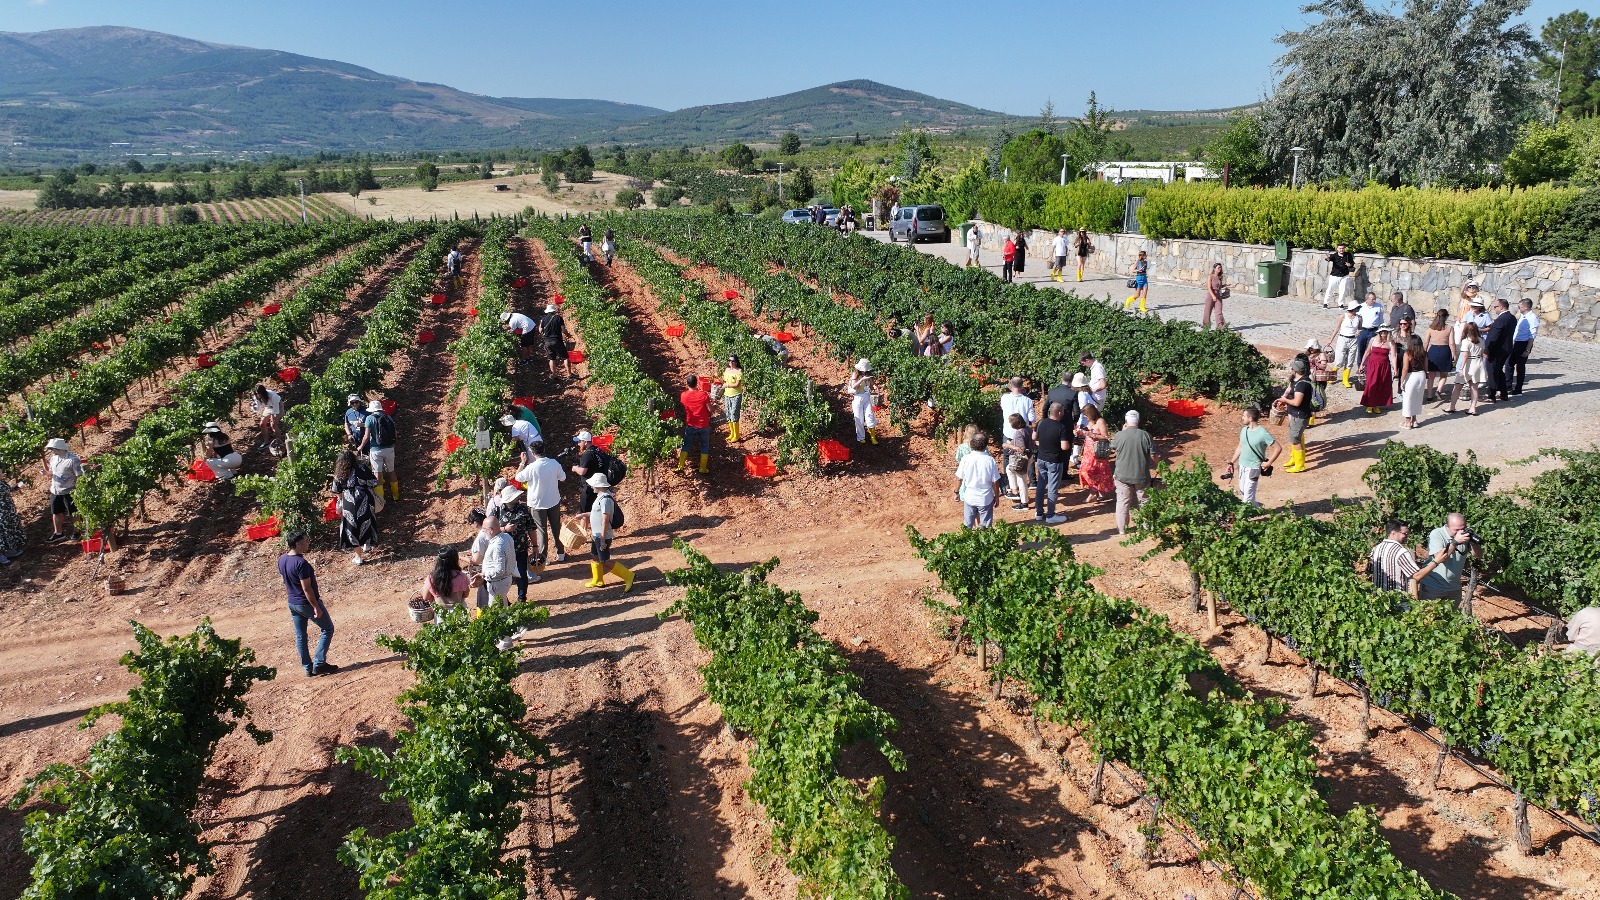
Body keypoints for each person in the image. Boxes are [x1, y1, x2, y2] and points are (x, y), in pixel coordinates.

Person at [279, 531, 336, 677]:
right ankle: (319, 664)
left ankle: (308, 668)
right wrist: (316, 607)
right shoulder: (301, 563)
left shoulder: (282, 559)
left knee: (301, 636)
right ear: (298, 543)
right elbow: (307, 588)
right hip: (306, 603)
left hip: (292, 602)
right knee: (327, 629)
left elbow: (286, 581)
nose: (308, 543)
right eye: (305, 541)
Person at [514, 439, 566, 566]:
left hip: (537, 503)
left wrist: (522, 463)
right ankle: (561, 553)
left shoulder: (531, 467)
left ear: (532, 452)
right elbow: (563, 477)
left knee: (541, 530)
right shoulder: (554, 463)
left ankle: (544, 557)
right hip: (553, 500)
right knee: (556, 527)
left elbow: (517, 478)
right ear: (544, 450)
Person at [585, 473, 634, 590]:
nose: (591, 487)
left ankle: (628, 576)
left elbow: (605, 520)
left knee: (605, 561)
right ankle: (598, 580)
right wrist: (584, 515)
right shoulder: (600, 496)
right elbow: (597, 514)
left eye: (593, 485)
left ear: (598, 485)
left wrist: (602, 539)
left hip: (602, 536)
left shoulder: (606, 499)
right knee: (595, 556)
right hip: (596, 534)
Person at [1110, 409, 1155, 534]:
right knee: (1144, 500)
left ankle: (1122, 529)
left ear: (1126, 421)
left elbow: (1111, 447)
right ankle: (1147, 527)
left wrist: (1122, 432)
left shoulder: (1119, 435)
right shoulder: (1146, 435)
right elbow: (1153, 455)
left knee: (1123, 502)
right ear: (1139, 421)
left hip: (1122, 475)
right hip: (1141, 475)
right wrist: (1159, 465)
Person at [331, 449, 378, 565]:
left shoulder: (339, 473)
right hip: (365, 498)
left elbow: (336, 490)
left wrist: (341, 499)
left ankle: (358, 557)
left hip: (349, 500)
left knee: (351, 527)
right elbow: (374, 482)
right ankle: (367, 545)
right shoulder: (361, 467)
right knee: (366, 521)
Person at [1226, 406, 1280, 507]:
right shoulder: (1244, 430)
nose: (1242, 418)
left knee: (1247, 497)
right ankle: (1256, 508)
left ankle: (1244, 519)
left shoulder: (1263, 433)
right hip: (1242, 466)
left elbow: (1278, 448)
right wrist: (1231, 462)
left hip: (1254, 468)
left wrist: (1269, 463)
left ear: (1250, 419)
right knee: (1243, 492)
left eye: (1244, 416)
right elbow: (1240, 447)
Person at [1418, 513, 1479, 601]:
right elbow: (1440, 558)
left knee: (1452, 614)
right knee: (1429, 614)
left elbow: (1478, 555)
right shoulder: (1437, 534)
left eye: (1463, 528)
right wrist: (1455, 542)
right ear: (1447, 526)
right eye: (1456, 529)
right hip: (1433, 586)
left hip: (1454, 587)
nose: (1460, 532)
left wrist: (1473, 542)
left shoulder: (1464, 536)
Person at [494, 484, 539, 603]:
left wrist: (535, 545)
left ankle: (521, 598)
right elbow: (490, 530)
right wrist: (505, 529)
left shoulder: (523, 509)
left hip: (520, 548)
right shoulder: (497, 511)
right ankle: (504, 600)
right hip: (503, 550)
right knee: (502, 576)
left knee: (521, 573)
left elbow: (531, 528)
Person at [1032, 402, 1070, 525]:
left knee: (1041, 486)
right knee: (1052, 488)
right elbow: (1064, 447)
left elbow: (1034, 437)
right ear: (1059, 413)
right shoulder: (1061, 427)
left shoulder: (1041, 423)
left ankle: (1039, 513)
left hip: (1041, 458)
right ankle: (1051, 515)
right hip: (1054, 461)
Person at [955, 431, 1000, 529]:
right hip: (985, 498)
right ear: (986, 445)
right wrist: (996, 497)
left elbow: (959, 478)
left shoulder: (965, 459)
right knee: (985, 528)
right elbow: (995, 481)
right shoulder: (990, 460)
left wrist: (956, 492)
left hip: (970, 497)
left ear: (971, 443)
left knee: (967, 526)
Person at [470, 514, 516, 608]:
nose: (483, 531)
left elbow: (499, 570)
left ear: (491, 530)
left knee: (496, 612)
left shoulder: (497, 546)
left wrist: (483, 574)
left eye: (484, 529)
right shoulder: (507, 537)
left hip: (498, 583)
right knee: (503, 607)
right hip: (505, 579)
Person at [42, 438, 83, 542]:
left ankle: (76, 532)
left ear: (58, 448)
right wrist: (46, 473)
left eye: (52, 449)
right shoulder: (53, 459)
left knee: (74, 512)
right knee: (56, 512)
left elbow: (80, 476)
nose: (51, 451)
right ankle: (58, 533)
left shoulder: (73, 460)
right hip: (55, 490)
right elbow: (52, 473)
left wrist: (78, 490)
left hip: (70, 491)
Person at [358, 400, 399, 500]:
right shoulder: (388, 417)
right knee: (392, 471)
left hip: (376, 450)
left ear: (372, 410)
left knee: (377, 474)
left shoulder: (369, 418)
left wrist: (361, 447)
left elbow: (366, 436)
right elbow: (395, 433)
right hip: (389, 448)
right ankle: (396, 496)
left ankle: (380, 500)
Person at [1280, 359, 1313, 472]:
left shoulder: (1301, 385)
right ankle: (1294, 459)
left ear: (1296, 370)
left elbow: (1297, 402)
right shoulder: (1301, 380)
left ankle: (1299, 465)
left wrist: (1285, 400)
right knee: (1295, 436)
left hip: (1299, 415)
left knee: (1295, 439)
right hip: (1296, 414)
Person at [1368, 520, 1420, 594]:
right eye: (1405, 533)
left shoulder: (1375, 549)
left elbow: (1369, 571)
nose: (1407, 536)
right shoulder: (1401, 552)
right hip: (1398, 601)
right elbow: (1417, 575)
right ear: (1393, 533)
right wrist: (1435, 562)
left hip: (1378, 600)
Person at [1076, 403, 1114, 502]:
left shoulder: (1100, 421)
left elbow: (1105, 437)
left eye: (1086, 415)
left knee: (1098, 472)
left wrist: (1093, 435)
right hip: (1088, 452)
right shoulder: (1090, 422)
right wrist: (1080, 432)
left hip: (1098, 452)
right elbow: (1087, 433)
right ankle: (1095, 492)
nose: (1085, 417)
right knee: (1086, 471)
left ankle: (1095, 493)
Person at [1484, 298, 1517, 403]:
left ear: (1501, 307)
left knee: (1492, 371)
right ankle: (1504, 393)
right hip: (1506, 349)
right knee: (1498, 371)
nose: (1494, 309)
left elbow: (1493, 337)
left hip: (1497, 350)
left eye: (1495, 307)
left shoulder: (1501, 319)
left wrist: (1487, 350)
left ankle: (1491, 395)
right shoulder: (1512, 317)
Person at [678, 373, 713, 473]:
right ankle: (702, 468)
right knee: (704, 446)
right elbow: (710, 410)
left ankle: (680, 466)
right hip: (703, 425)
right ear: (697, 383)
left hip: (691, 425)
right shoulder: (703, 395)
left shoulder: (683, 395)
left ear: (687, 384)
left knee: (686, 445)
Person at [1448, 321, 1485, 415]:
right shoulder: (1481, 340)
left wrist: (1461, 368)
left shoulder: (1466, 341)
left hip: (1468, 364)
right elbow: (1481, 354)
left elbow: (1465, 356)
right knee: (1474, 387)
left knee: (1457, 386)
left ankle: (1451, 406)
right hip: (1477, 363)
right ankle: (1473, 408)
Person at [570, 430, 612, 513]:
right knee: (595, 511)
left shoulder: (587, 454)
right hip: (600, 486)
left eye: (579, 441)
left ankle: (584, 527)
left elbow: (582, 472)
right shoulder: (597, 450)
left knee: (584, 513)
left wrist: (575, 468)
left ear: (585, 442)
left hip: (589, 488)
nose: (578, 444)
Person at [423, 549, 471, 618]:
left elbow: (425, 597)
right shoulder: (462, 576)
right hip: (459, 612)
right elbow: (466, 595)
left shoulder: (432, 578)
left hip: (441, 614)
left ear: (438, 562)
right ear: (455, 560)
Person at [1002, 413, 1035, 510]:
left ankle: (1024, 503)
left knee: (1022, 480)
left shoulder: (1018, 433)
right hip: (1030, 457)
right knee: (1009, 469)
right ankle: (1014, 490)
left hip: (1022, 459)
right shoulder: (1028, 429)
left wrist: (1008, 446)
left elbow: (1021, 449)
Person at [1359, 326, 1393, 414]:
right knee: (1371, 383)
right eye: (1382, 332)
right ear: (1379, 332)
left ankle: (1376, 405)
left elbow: (1394, 356)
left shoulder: (1390, 343)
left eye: (1385, 332)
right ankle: (1369, 404)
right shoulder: (1373, 340)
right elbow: (1367, 352)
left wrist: (1395, 368)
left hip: (1384, 366)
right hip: (1372, 364)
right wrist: (1362, 364)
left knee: (1380, 384)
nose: (1383, 333)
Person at [1328, 301, 1362, 388]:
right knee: (1339, 360)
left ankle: (1345, 379)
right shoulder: (1343, 316)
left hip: (1353, 340)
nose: (1357, 309)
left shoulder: (1359, 318)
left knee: (1350, 361)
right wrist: (1331, 340)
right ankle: (1332, 376)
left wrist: (1358, 332)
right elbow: (1337, 328)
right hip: (1343, 339)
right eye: (1356, 308)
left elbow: (1360, 328)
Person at [1423, 309, 1455, 401]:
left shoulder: (1431, 328)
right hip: (1445, 350)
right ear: (1446, 317)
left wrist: (1424, 353)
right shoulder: (1449, 328)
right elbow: (1452, 343)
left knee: (1431, 375)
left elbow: (1426, 342)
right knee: (1444, 375)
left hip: (1433, 350)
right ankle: (1438, 390)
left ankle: (1429, 395)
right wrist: (1454, 354)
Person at [537, 303, 573, 379]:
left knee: (552, 358)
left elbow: (540, 330)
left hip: (547, 342)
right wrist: (568, 335)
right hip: (557, 340)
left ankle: (554, 374)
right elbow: (563, 330)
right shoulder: (558, 318)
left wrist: (542, 325)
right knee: (565, 357)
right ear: (554, 311)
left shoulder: (543, 319)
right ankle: (569, 374)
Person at [1399, 336, 1427, 429]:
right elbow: (1426, 367)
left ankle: (1407, 422)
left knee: (1408, 398)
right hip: (1421, 375)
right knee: (1417, 398)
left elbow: (1405, 368)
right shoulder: (1424, 353)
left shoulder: (1408, 353)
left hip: (1411, 376)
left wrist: (1401, 380)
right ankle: (1414, 420)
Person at [1512, 298, 1537, 395]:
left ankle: (1518, 389)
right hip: (1516, 342)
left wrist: (1527, 349)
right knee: (1510, 364)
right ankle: (1508, 386)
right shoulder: (1523, 316)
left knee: (1520, 366)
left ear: (1525, 307)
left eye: (1520, 306)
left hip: (1523, 343)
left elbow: (1532, 335)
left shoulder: (1532, 318)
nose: (1519, 308)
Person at [848, 359, 877, 445]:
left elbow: (871, 386)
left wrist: (875, 387)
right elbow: (853, 386)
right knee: (859, 419)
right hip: (858, 398)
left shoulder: (868, 375)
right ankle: (861, 437)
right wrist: (861, 380)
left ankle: (873, 437)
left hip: (867, 397)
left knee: (870, 416)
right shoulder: (855, 374)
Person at [252, 384, 284, 456]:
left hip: (278, 406)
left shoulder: (272, 395)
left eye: (259, 393)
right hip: (268, 407)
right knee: (262, 424)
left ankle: (279, 442)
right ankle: (266, 442)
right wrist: (254, 407)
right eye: (257, 393)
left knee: (273, 425)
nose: (258, 395)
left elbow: (275, 409)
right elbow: (258, 407)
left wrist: (273, 417)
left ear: (263, 392)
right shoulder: (257, 396)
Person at [1305, 339, 1330, 423]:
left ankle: (1311, 418)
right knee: (1308, 397)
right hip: (1308, 377)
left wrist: (1316, 363)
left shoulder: (1321, 354)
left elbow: (1323, 366)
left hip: (1317, 380)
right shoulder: (1307, 354)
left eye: (1312, 347)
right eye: (1310, 347)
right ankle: (1311, 415)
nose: (1311, 349)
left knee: (1314, 397)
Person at [1323, 244, 1355, 309]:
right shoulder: (1334, 255)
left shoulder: (1348, 255)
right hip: (1335, 275)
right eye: (1340, 248)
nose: (1341, 250)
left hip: (1344, 275)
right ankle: (1325, 303)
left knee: (1342, 290)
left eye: (1342, 248)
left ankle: (1341, 304)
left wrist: (1350, 264)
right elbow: (1328, 259)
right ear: (1337, 249)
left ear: (1344, 248)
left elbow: (1352, 263)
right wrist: (1327, 257)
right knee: (1330, 289)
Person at [721, 353, 745, 442]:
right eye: (729, 360)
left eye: (733, 361)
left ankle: (737, 435)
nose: (730, 362)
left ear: (736, 362)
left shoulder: (739, 371)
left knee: (734, 414)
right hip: (727, 395)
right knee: (728, 413)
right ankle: (732, 433)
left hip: (736, 395)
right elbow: (723, 380)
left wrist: (727, 385)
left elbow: (737, 384)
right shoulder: (727, 370)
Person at [0, 476, 22, 566]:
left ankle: (9, 550)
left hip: (7, 511)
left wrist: (17, 486)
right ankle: (1, 555)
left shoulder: (2, 483)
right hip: (1, 513)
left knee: (7, 530)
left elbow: (8, 491)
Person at [1355, 291, 1383, 360]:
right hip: (1363, 330)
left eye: (1374, 299)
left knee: (1370, 349)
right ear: (1367, 299)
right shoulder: (1361, 307)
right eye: (1371, 299)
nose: (1373, 301)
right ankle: (1360, 366)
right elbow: (1357, 319)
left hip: (1373, 330)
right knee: (1361, 348)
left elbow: (1381, 319)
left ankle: (1367, 367)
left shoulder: (1379, 306)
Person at [1202, 263, 1227, 330]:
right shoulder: (1211, 276)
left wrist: (1224, 286)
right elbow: (1209, 287)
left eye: (1220, 268)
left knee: (1219, 311)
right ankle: (1206, 327)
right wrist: (1213, 296)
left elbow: (1218, 286)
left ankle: (1220, 326)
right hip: (1210, 295)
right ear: (1214, 269)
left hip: (1218, 295)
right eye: (1218, 268)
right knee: (1207, 311)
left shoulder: (1219, 277)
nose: (1220, 269)